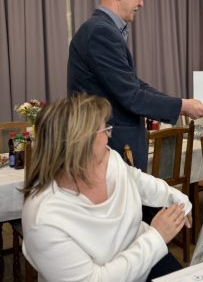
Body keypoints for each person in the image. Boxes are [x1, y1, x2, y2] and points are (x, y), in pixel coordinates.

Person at [22, 94, 192, 282]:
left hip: (146, 256)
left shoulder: (108, 158)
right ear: (80, 143)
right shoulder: (44, 221)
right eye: (105, 130)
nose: (109, 136)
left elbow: (136, 179)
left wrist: (176, 198)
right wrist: (156, 237)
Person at [67, 0, 203, 171]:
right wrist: (182, 106)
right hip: (109, 149)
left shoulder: (102, 29)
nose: (141, 3)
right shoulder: (101, 32)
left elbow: (133, 84)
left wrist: (180, 103)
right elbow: (131, 96)